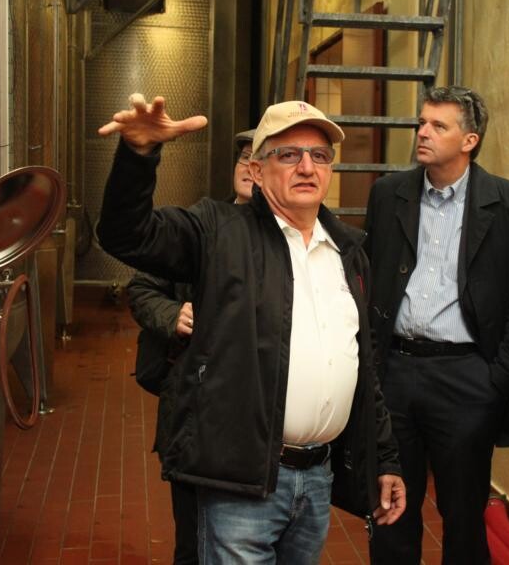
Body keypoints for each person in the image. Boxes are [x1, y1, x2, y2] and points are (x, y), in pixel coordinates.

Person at [97, 95, 406, 563]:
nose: (307, 167)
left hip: (316, 478)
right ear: (257, 171)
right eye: (289, 154)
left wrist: (384, 458)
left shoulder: (348, 252)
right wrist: (138, 155)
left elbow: (365, 369)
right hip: (240, 481)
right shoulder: (218, 231)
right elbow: (127, 235)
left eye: (320, 155)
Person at [364, 85, 509, 564]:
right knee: (389, 509)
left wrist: (499, 378)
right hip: (396, 372)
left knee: (464, 515)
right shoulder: (387, 194)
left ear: (470, 140)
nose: (422, 133)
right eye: (421, 123)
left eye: (438, 126)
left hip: (467, 377)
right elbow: (370, 276)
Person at [125, 128, 255, 565]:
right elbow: (142, 286)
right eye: (244, 157)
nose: (249, 167)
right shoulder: (203, 226)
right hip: (196, 414)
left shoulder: (297, 241)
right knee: (194, 542)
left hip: (257, 423)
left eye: (261, 158)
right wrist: (171, 314)